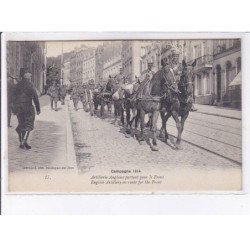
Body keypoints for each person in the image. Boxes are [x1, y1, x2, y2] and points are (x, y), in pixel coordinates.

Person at [12, 68, 40, 149]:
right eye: (29, 73)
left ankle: (23, 142)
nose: (31, 75)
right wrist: (38, 108)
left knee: (22, 124)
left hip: (18, 108)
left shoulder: (17, 85)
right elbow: (35, 97)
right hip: (27, 107)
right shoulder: (30, 84)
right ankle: (23, 142)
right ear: (24, 75)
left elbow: (13, 97)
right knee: (28, 124)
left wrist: (14, 108)